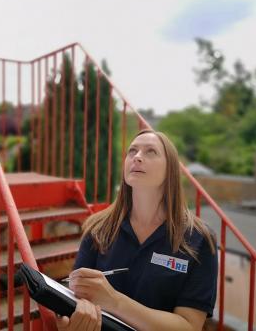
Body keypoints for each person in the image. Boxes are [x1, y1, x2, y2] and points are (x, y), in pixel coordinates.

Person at [56, 129, 218, 331]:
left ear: (171, 171)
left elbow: (189, 326)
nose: (138, 157)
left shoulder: (200, 239)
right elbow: (78, 296)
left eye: (151, 152)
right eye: (132, 151)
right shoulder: (97, 228)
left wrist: (114, 301)